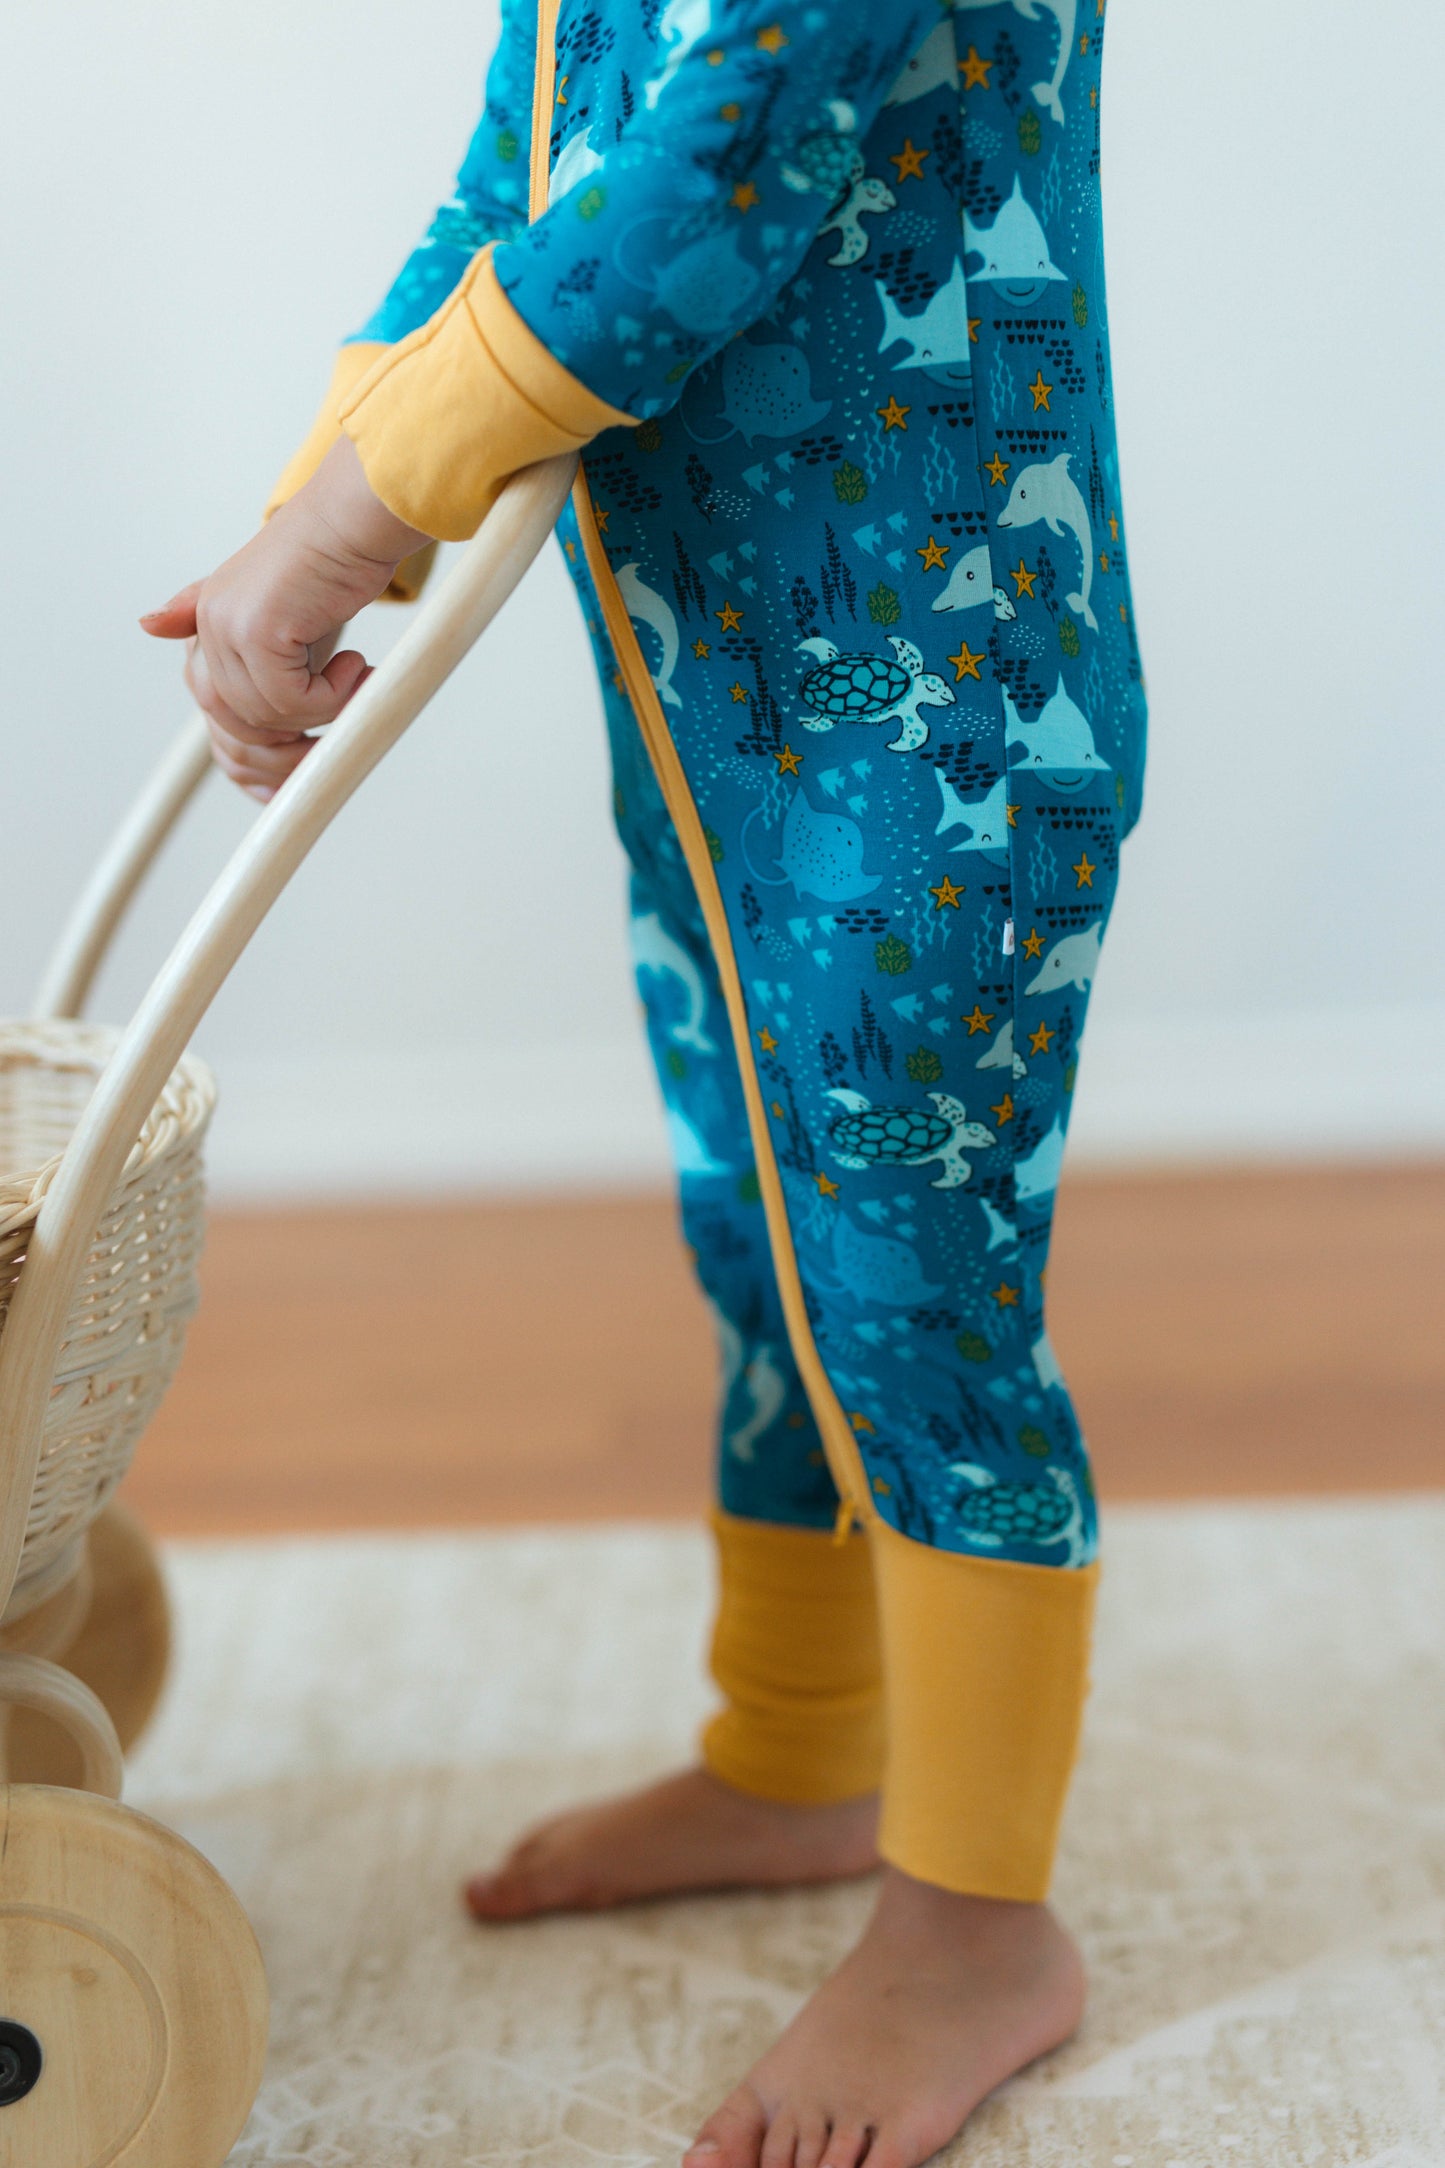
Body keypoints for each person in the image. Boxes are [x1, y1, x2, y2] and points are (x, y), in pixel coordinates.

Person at [143, 4, 1148, 2161]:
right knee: (762, 1238)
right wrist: (318, 501)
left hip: (944, 723)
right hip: (714, 699)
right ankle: (797, 1748)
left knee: (910, 1297)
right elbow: (518, 173)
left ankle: (981, 1920)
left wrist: (358, 507)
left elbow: (730, 159)